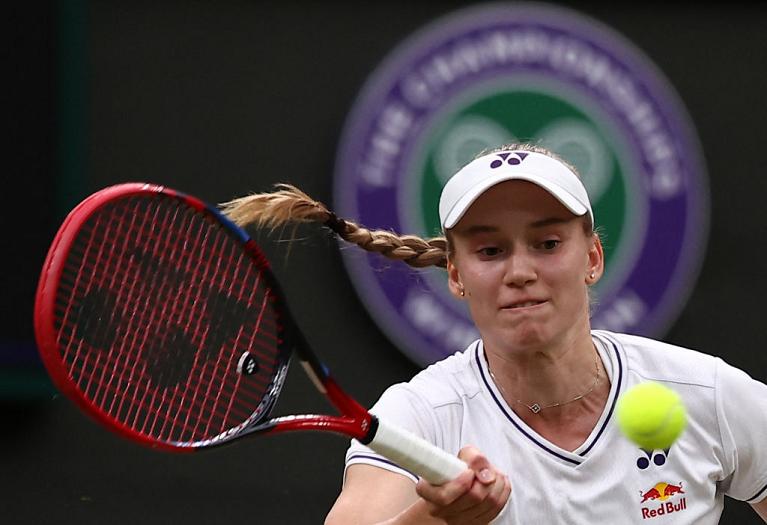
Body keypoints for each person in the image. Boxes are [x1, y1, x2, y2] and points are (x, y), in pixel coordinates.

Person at [222, 143, 767, 524]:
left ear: (593, 257)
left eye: (548, 243)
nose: (520, 270)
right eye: (490, 250)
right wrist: (435, 518)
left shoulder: (706, 394)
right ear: (456, 275)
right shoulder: (421, 416)